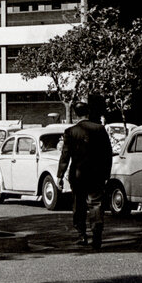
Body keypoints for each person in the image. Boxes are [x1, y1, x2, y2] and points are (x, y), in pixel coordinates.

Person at [57, 100, 113, 249]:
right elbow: (107, 154)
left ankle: (81, 235)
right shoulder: (100, 129)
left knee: (78, 204)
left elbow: (65, 155)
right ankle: (97, 235)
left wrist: (60, 175)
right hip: (96, 174)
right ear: (88, 112)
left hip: (78, 174)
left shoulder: (70, 132)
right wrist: (106, 174)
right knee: (96, 204)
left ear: (75, 114)